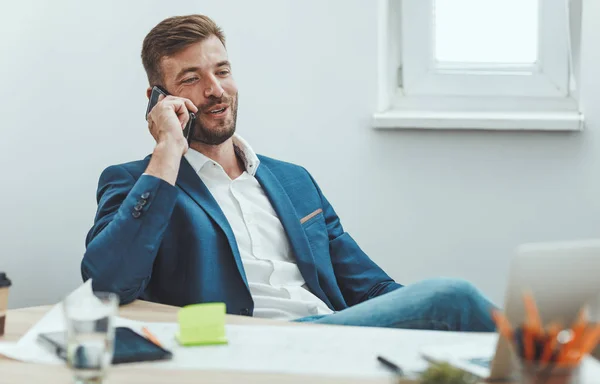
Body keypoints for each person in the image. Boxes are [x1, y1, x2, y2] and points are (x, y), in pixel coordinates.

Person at [81, 14, 495, 332]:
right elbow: (107, 285)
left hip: (329, 331)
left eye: (222, 71)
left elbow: (368, 288)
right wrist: (169, 148)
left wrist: (420, 316)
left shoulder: (293, 180)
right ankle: (550, 355)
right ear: (158, 98)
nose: (216, 90)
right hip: (246, 341)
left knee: (450, 322)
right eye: (192, 79)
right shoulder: (138, 181)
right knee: (453, 296)